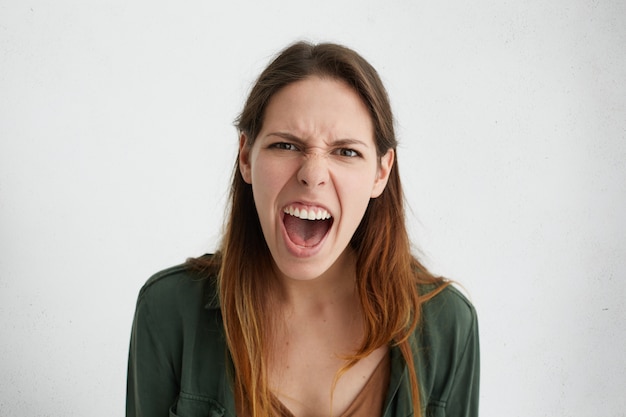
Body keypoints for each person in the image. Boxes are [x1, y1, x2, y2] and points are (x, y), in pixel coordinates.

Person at [126, 41, 479, 417]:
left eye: (346, 152)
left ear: (381, 171)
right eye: (286, 145)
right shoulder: (168, 310)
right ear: (246, 156)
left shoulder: (449, 325)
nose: (312, 175)